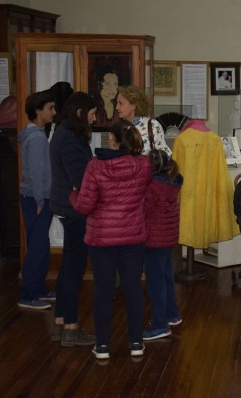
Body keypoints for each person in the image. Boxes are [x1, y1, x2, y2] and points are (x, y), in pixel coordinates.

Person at [71, 120, 153, 359]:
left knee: (103, 290)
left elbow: (85, 206)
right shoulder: (143, 166)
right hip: (133, 237)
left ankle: (103, 345)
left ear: (112, 139)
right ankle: (136, 342)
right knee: (133, 288)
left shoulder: (95, 167)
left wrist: (72, 195)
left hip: (102, 238)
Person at [49, 92, 97, 347]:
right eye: (91, 114)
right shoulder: (69, 138)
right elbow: (81, 180)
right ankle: (71, 327)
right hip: (74, 210)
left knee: (68, 266)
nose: (94, 118)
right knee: (74, 268)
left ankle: (59, 323)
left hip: (67, 207)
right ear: (80, 113)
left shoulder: (64, 132)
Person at [17, 90, 56, 310]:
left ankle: (38, 288)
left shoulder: (35, 134)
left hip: (35, 197)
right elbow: (37, 174)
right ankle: (28, 294)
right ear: (38, 111)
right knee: (37, 247)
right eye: (50, 108)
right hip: (36, 199)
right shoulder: (37, 138)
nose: (53, 112)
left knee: (40, 245)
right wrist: (41, 201)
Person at [142, 149, 183, 340]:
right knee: (166, 276)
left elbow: (145, 212)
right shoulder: (171, 182)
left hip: (153, 239)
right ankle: (171, 314)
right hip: (166, 239)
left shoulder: (152, 186)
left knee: (155, 282)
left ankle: (160, 324)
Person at [116, 85, 171, 157]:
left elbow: (165, 155)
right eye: (116, 103)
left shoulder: (152, 125)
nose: (117, 107)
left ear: (134, 105)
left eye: (121, 103)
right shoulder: (118, 127)